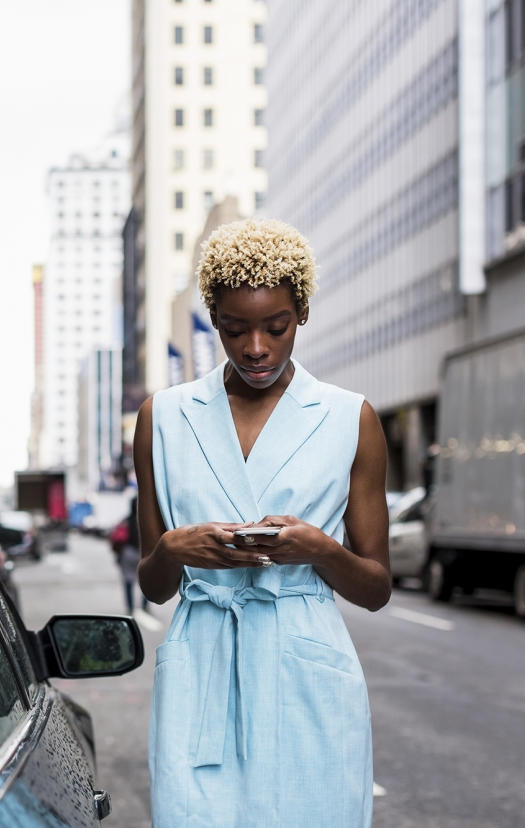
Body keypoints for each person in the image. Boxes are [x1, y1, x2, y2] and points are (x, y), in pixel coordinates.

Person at [133, 219, 390, 827]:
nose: (255, 348)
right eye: (233, 329)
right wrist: (174, 547)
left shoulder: (349, 418)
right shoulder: (165, 417)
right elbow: (153, 585)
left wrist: (320, 550)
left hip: (308, 669)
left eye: (274, 328)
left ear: (300, 312)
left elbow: (376, 587)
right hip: (203, 661)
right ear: (213, 320)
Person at [110, 496, 148, 614]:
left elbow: (116, 538)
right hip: (144, 553)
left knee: (128, 581)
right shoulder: (146, 520)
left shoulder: (125, 520)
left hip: (128, 553)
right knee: (147, 580)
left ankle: (130, 607)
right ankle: (145, 605)